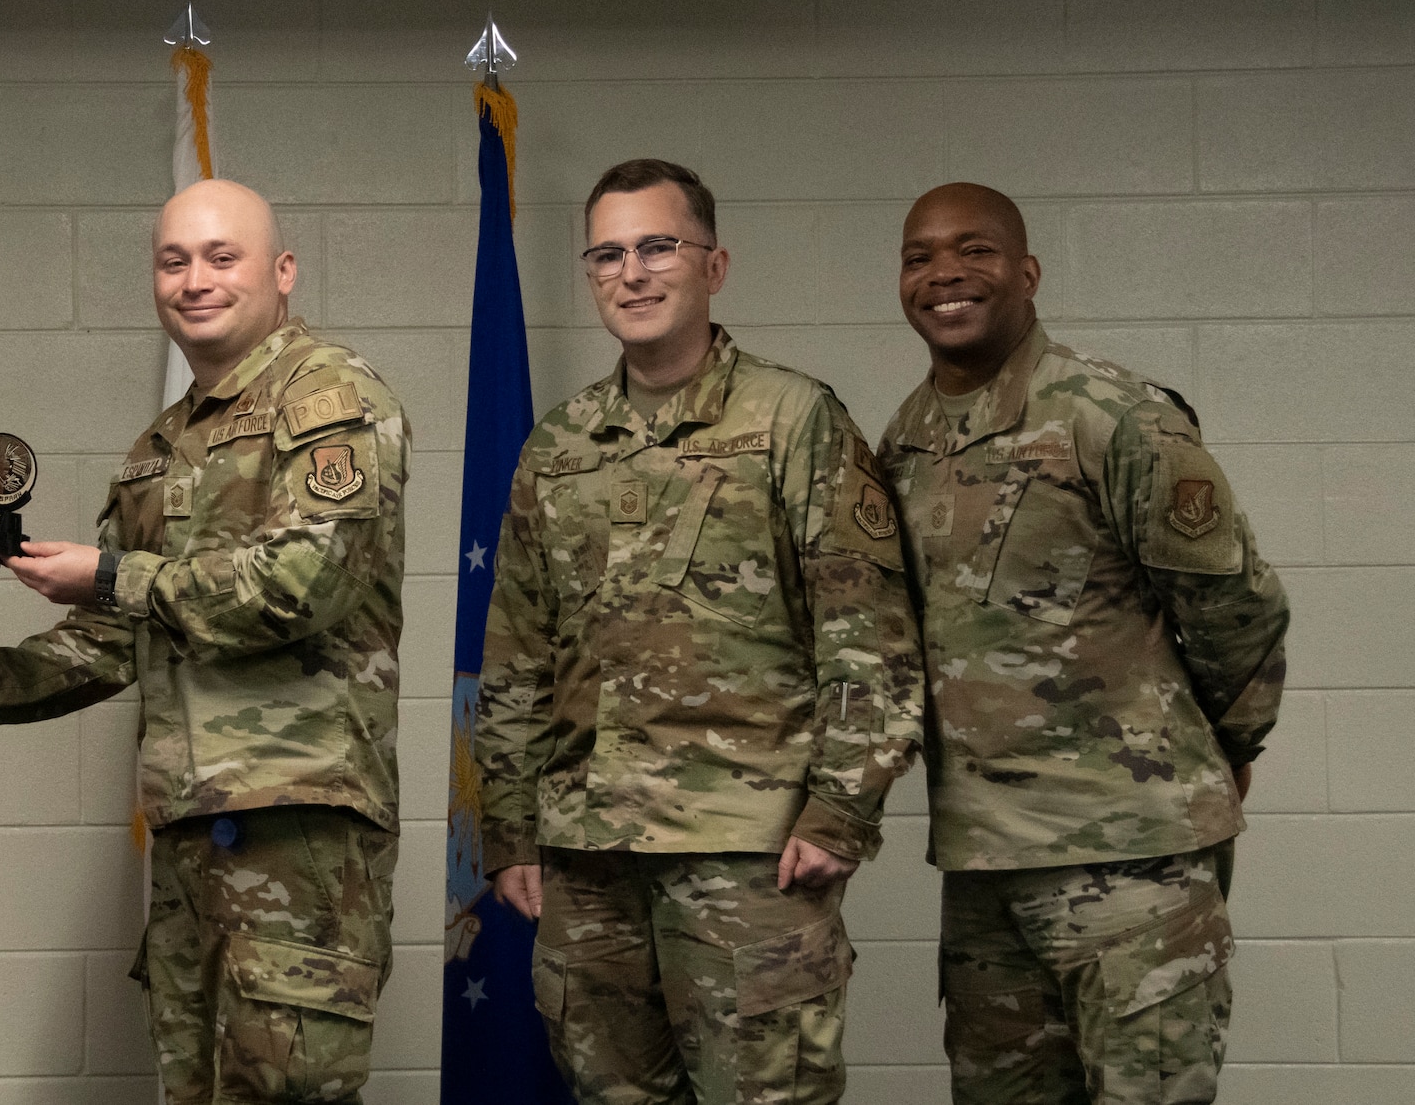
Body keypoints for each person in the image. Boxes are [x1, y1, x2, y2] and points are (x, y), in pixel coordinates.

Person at [0, 178, 408, 1104]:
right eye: (174, 259)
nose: (196, 280)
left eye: (222, 257)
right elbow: (114, 639)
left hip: (297, 830)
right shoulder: (160, 445)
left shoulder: (330, 399)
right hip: (192, 832)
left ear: (282, 271)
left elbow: (300, 587)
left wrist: (110, 572)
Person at [474, 158, 923, 1105]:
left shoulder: (792, 418)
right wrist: (510, 831)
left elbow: (868, 635)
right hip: (587, 858)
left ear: (713, 266)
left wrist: (843, 809)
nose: (631, 272)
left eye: (656, 246)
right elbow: (516, 652)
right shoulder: (559, 447)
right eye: (607, 252)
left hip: (749, 850)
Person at [878, 182, 1289, 1105]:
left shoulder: (1110, 413)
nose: (944, 272)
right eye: (919, 256)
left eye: (974, 250)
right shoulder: (905, 440)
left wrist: (1228, 745)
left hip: (1132, 859)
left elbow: (1238, 607)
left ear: (1026, 272)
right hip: (985, 866)